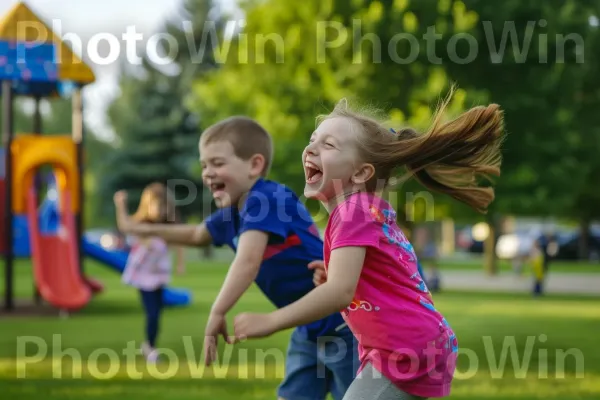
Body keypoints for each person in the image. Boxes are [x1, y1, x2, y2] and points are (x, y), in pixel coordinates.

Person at [232, 89, 505, 399]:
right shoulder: (368, 210)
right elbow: (392, 274)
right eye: (313, 139)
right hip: (410, 345)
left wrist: (271, 321)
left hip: (405, 352)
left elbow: (339, 293)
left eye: (329, 145)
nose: (311, 148)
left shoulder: (353, 212)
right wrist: (343, 273)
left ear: (361, 172)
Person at [114, 117, 358, 400]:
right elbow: (195, 235)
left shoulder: (266, 198)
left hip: (344, 325)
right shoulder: (232, 213)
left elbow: (247, 261)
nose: (207, 173)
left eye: (217, 163)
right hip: (307, 326)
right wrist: (139, 228)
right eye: (204, 165)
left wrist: (218, 312)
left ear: (254, 165)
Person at [114, 182, 185, 363]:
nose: (160, 210)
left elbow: (182, 239)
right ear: (147, 205)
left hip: (159, 274)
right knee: (152, 313)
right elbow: (125, 226)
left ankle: (149, 343)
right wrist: (120, 205)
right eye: (156, 205)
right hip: (143, 276)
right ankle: (150, 348)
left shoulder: (167, 227)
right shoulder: (142, 225)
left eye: (163, 206)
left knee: (157, 313)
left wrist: (181, 262)